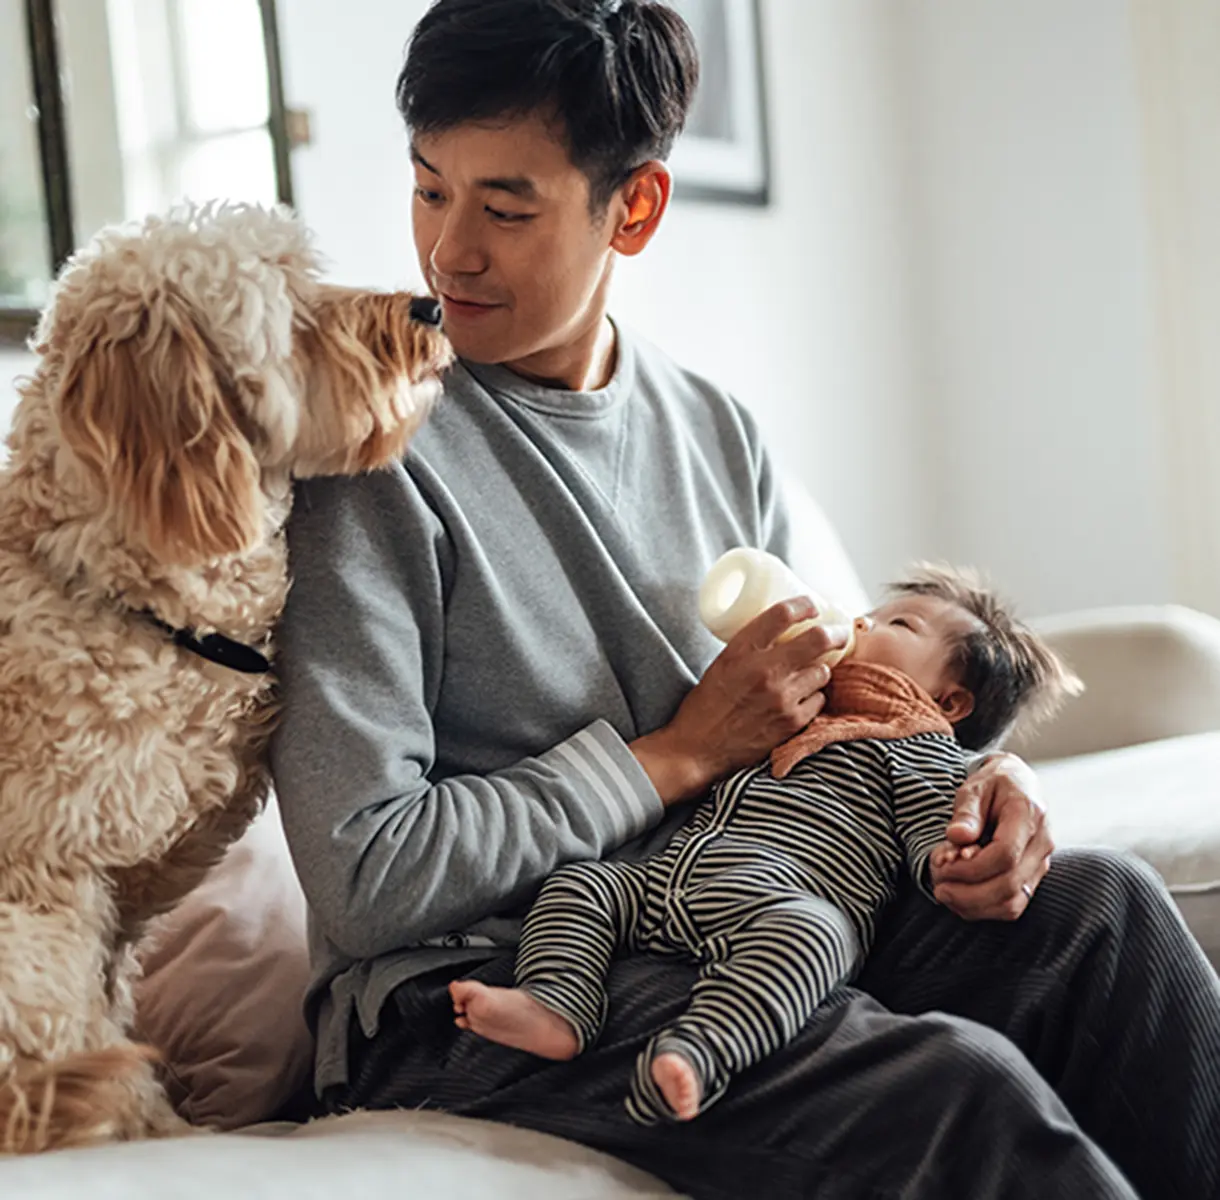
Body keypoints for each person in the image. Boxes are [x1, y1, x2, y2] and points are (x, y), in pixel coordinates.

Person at [270, 3, 1220, 1197]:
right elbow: (364, 882)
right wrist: (670, 756)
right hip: (471, 989)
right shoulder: (371, 452)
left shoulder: (717, 434)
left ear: (636, 206)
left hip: (731, 911)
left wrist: (985, 785)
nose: (448, 252)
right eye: (426, 190)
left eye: (504, 207)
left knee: (1105, 915)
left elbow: (847, 714)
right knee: (951, 1092)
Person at [448, 567, 1082, 1125]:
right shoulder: (789, 704)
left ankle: (699, 1053)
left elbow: (939, 832)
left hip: (776, 904)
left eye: (900, 625)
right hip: (664, 880)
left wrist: (956, 852)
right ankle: (558, 1003)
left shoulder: (912, 750)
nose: (861, 620)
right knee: (580, 885)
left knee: (815, 939)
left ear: (949, 700)